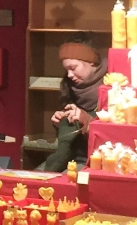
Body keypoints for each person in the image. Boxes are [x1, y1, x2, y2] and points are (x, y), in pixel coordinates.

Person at [37, 35, 107, 172]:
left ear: (91, 62)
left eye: (73, 68)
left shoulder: (112, 89)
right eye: (67, 70)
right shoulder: (70, 88)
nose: (69, 75)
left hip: (96, 163)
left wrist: (87, 121)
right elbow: (68, 145)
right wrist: (61, 125)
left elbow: (114, 139)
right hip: (69, 160)